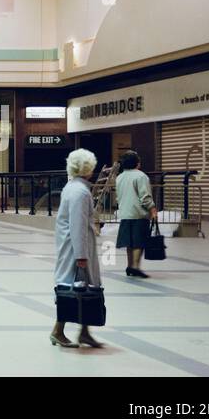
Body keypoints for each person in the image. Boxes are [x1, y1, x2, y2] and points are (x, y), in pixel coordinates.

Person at [52, 148, 103, 349]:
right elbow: (78, 225)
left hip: (71, 246)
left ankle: (84, 332)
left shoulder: (71, 187)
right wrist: (81, 255)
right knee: (73, 288)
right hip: (77, 249)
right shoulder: (81, 192)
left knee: (81, 288)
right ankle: (58, 331)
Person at [115, 150, 158, 279]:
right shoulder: (141, 176)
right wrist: (152, 209)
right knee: (139, 242)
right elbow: (145, 197)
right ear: (137, 163)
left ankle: (129, 266)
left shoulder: (120, 177)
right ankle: (136, 267)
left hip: (125, 213)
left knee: (129, 242)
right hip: (138, 214)